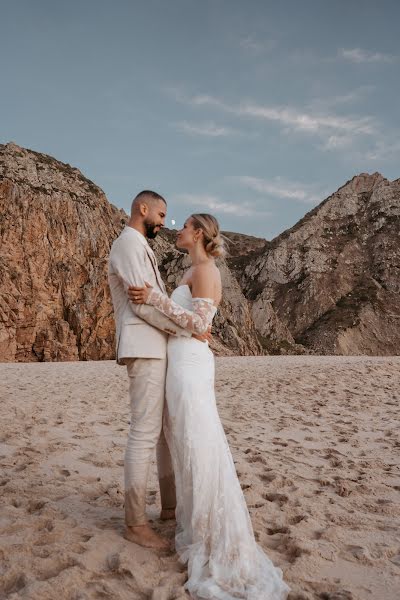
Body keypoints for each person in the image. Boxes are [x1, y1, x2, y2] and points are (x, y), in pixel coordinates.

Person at [129, 213, 290, 599]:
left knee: (198, 442)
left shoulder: (205, 270)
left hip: (189, 363)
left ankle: (209, 532)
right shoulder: (195, 269)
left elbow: (199, 323)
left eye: (184, 225)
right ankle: (196, 521)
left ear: (198, 233)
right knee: (186, 442)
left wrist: (154, 298)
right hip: (181, 361)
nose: (178, 230)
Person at [108, 190, 210, 550]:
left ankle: (169, 507)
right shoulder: (128, 245)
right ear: (143, 208)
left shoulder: (143, 246)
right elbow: (143, 307)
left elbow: (154, 300)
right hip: (144, 347)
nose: (164, 223)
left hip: (159, 348)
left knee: (164, 430)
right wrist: (188, 329)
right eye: (161, 215)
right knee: (144, 432)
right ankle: (135, 523)